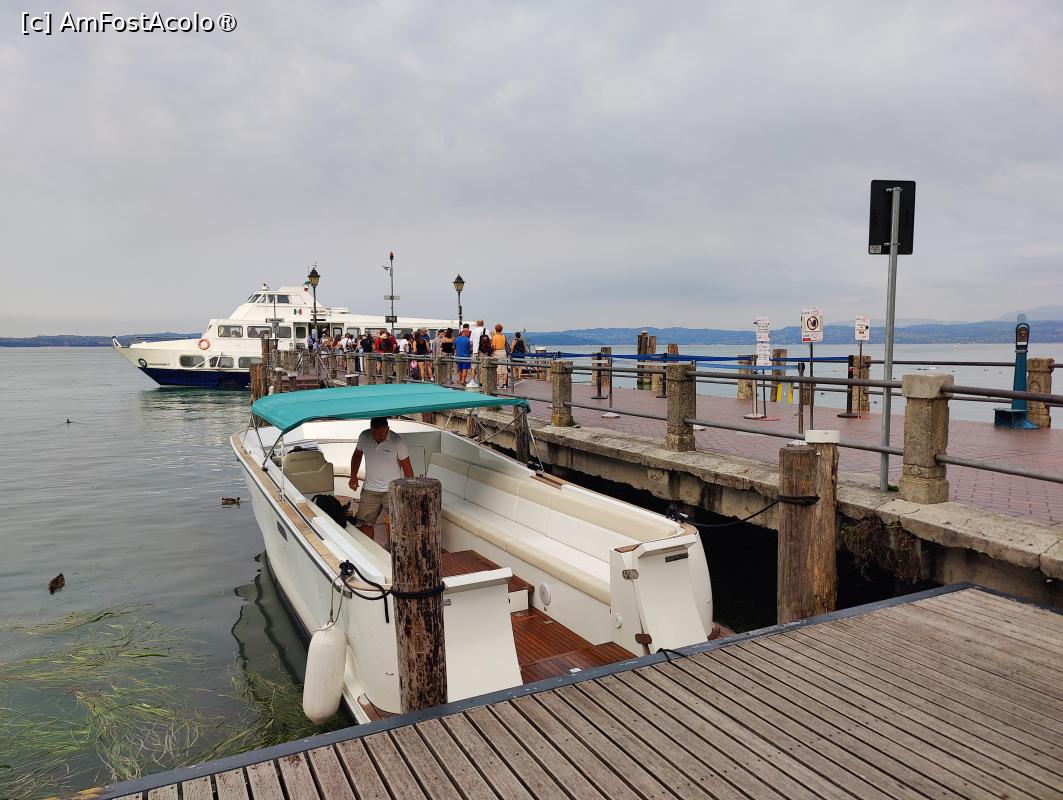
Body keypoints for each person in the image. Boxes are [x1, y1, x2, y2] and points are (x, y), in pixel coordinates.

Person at [348, 417, 414, 536]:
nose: (378, 437)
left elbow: (408, 469)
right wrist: (353, 476)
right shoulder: (364, 436)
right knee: (365, 523)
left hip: (392, 490)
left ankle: (394, 547)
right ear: (371, 429)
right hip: (369, 489)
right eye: (375, 434)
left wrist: (408, 493)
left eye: (381, 434)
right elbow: (357, 454)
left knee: (399, 523)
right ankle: (369, 547)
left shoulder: (397, 441)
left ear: (387, 429)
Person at [491, 323, 510, 389]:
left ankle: (497, 384)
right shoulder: (504, 336)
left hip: (497, 352)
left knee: (497, 368)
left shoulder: (494, 337)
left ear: (495, 329)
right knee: (504, 368)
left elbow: (494, 346)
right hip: (503, 352)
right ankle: (504, 384)